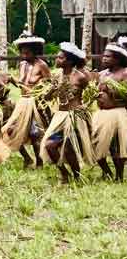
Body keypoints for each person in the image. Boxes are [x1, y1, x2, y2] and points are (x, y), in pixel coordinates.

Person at [41, 42, 94, 183]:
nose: (57, 60)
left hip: (75, 116)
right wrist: (52, 89)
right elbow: (47, 97)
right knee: (49, 145)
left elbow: (90, 95)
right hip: (60, 116)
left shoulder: (81, 77)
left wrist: (84, 107)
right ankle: (64, 173)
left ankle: (76, 176)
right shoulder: (56, 76)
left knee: (70, 148)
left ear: (69, 61)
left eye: (60, 58)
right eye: (57, 57)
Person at [2, 35, 51, 169]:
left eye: (27, 52)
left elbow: (50, 85)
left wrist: (40, 92)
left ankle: (39, 163)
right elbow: (21, 85)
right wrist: (12, 80)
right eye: (22, 52)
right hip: (22, 103)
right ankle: (27, 158)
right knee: (11, 131)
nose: (24, 55)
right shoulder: (22, 64)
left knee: (35, 134)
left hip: (35, 103)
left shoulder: (42, 65)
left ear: (35, 51)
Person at [93, 43, 127, 181]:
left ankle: (118, 177)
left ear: (117, 59)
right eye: (103, 56)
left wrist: (113, 90)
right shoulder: (101, 74)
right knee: (94, 144)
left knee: (116, 148)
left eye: (108, 57)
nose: (104, 59)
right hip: (101, 114)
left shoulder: (125, 73)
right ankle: (106, 172)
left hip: (118, 113)